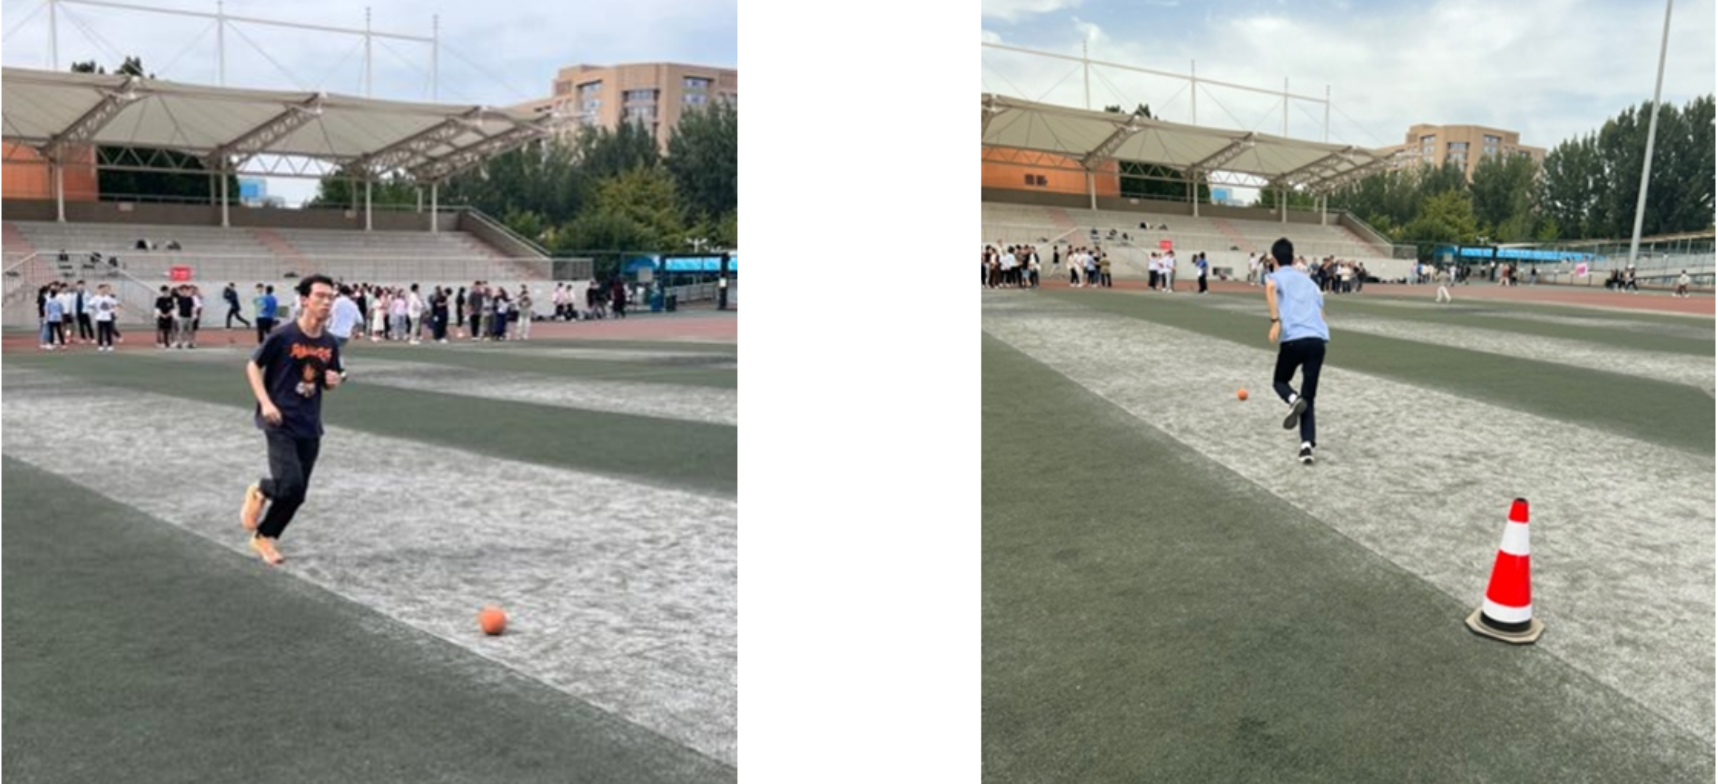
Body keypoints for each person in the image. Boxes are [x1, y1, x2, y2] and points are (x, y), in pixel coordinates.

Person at [239, 274, 345, 566]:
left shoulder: (329, 342)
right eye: (320, 296)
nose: (326, 302)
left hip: (310, 423)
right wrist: (265, 402)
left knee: (297, 495)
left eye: (330, 297)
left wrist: (333, 381)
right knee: (290, 486)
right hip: (279, 420)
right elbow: (252, 366)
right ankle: (262, 490)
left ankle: (264, 536)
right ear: (305, 300)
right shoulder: (283, 336)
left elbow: (330, 378)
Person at [1264, 237, 1330, 466]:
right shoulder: (1309, 282)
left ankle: (1293, 399)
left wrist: (1275, 321)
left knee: (1280, 381)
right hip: (1317, 341)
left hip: (1294, 339)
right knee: (1309, 397)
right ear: (1293, 259)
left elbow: (1270, 287)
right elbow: (1321, 313)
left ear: (1274, 260)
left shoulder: (1276, 276)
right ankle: (1306, 446)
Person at [89, 283, 120, 352]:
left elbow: (116, 304)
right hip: (99, 318)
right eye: (102, 289)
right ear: (99, 290)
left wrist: (116, 312)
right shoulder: (96, 298)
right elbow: (90, 304)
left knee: (108, 332)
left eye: (104, 289)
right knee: (100, 333)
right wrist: (95, 309)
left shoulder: (108, 297)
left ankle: (110, 345)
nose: (103, 290)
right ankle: (100, 346)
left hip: (108, 318)